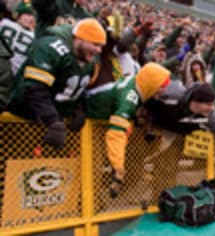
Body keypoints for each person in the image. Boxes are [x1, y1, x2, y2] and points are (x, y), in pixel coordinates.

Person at [9, 18, 106, 148]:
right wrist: (53, 120)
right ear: (79, 39)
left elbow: (77, 88)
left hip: (52, 126)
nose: (99, 50)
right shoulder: (51, 47)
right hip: (22, 121)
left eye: (101, 46)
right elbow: (34, 87)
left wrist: (79, 108)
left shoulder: (89, 61)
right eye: (95, 44)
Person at [86, 62, 171, 198]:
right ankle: (90, 202)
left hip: (96, 124)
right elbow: (116, 133)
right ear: (151, 83)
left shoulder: (136, 85)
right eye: (161, 87)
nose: (163, 91)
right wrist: (118, 167)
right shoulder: (129, 98)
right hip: (87, 126)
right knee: (93, 169)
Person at [0, 0, 35, 75]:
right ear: (18, 14)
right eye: (28, 15)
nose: (31, 19)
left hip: (13, 75)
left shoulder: (4, 22)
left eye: (33, 16)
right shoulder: (4, 23)